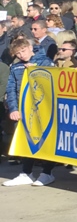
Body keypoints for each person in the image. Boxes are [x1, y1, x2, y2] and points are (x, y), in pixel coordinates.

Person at [2, 38, 56, 187]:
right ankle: (26, 173)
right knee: (25, 140)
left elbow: (53, 80)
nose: (21, 55)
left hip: (44, 108)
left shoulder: (45, 61)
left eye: (23, 51)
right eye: (18, 53)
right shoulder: (16, 67)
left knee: (46, 140)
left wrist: (37, 70)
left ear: (30, 48)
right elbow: (11, 89)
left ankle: (47, 172)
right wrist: (14, 108)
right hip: (24, 109)